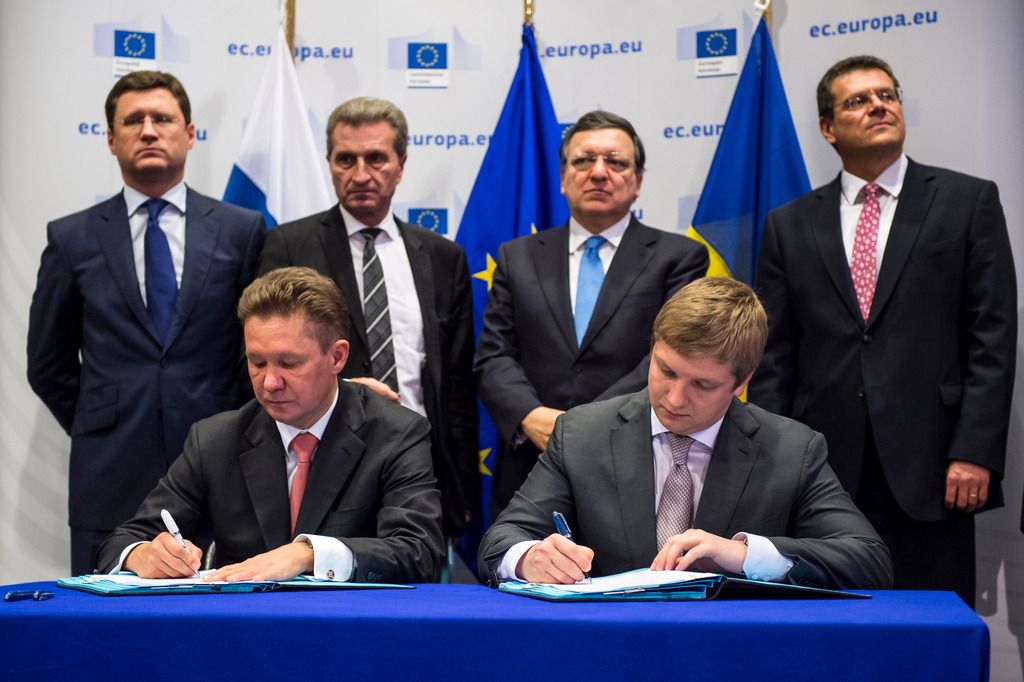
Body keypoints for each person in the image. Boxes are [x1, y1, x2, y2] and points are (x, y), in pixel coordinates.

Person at [749, 55, 1016, 606]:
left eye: (887, 95)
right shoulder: (789, 224)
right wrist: (774, 465)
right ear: (828, 128)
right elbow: (775, 357)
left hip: (935, 463)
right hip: (823, 466)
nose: (878, 105)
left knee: (932, 625)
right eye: (858, 100)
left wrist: (975, 450)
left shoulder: (968, 202)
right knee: (831, 625)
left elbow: (992, 336)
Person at [479, 277, 892, 590]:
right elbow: (500, 540)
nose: (675, 398)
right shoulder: (582, 433)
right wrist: (529, 557)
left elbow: (869, 561)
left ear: (741, 382)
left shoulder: (791, 449)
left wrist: (743, 554)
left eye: (702, 385)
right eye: (666, 371)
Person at [27, 70, 265, 575]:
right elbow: (48, 363)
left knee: (222, 626)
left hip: (222, 470)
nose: (149, 130)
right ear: (111, 139)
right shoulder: (72, 238)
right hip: (108, 474)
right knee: (106, 634)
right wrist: (102, 423)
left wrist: (231, 430)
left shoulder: (240, 231)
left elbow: (254, 352)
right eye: (133, 121)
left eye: (163, 118)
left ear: (191, 132)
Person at [96, 267, 443, 583]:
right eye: (257, 362)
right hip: (242, 635)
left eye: (289, 363)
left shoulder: (396, 433)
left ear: (337, 356)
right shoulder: (216, 439)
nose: (269, 382)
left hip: (352, 633)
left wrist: (307, 553)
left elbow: (419, 551)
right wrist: (143, 555)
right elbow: (122, 541)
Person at [258, 97, 477, 548]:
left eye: (376, 158)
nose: (360, 174)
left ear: (400, 165)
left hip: (422, 471)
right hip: (324, 468)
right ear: (329, 164)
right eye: (346, 159)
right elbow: (263, 363)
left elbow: (456, 387)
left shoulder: (442, 257)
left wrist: (463, 490)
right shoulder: (287, 245)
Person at [475, 110, 709, 520]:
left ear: (637, 182)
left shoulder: (679, 258)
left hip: (633, 457)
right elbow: (494, 356)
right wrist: (532, 417)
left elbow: (670, 356)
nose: (599, 173)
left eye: (616, 162)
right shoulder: (518, 257)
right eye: (583, 161)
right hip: (532, 460)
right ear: (563, 178)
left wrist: (585, 427)